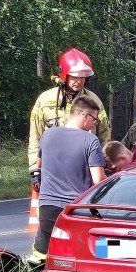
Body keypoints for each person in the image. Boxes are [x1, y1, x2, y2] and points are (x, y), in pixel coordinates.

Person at [28, 96, 106, 270]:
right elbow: (98, 181)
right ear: (85, 115)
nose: (95, 124)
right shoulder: (90, 140)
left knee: (47, 250)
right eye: (94, 118)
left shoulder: (47, 135)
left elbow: (39, 166)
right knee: (90, 249)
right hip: (75, 209)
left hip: (47, 206)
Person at [28, 48, 110, 185]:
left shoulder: (94, 101)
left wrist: (104, 167)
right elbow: (35, 137)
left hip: (84, 173)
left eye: (82, 77)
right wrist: (36, 170)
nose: (79, 81)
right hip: (52, 171)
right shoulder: (45, 100)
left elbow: (104, 137)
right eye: (75, 76)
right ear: (64, 75)